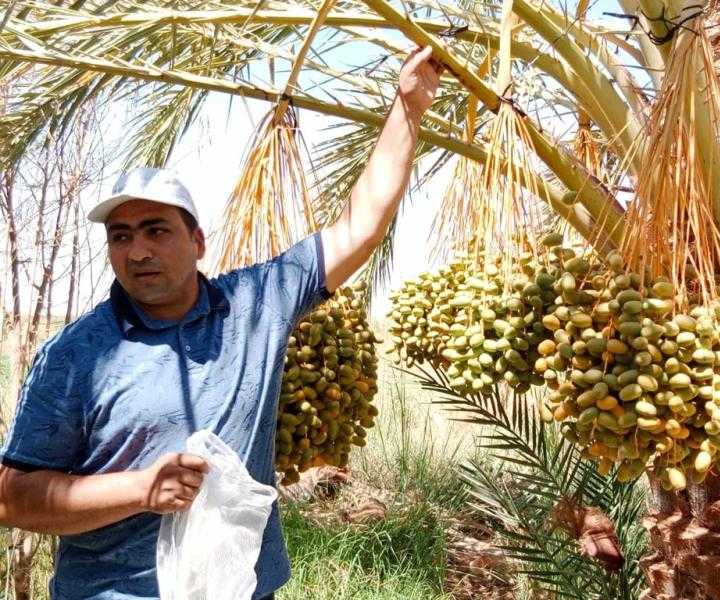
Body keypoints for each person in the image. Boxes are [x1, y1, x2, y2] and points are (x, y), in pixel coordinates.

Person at [0, 46, 441, 600]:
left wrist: (408, 107)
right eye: (120, 236)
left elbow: (361, 225)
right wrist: (140, 489)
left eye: (156, 230)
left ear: (197, 242)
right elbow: (12, 498)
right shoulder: (74, 355)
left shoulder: (256, 306)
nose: (138, 251)